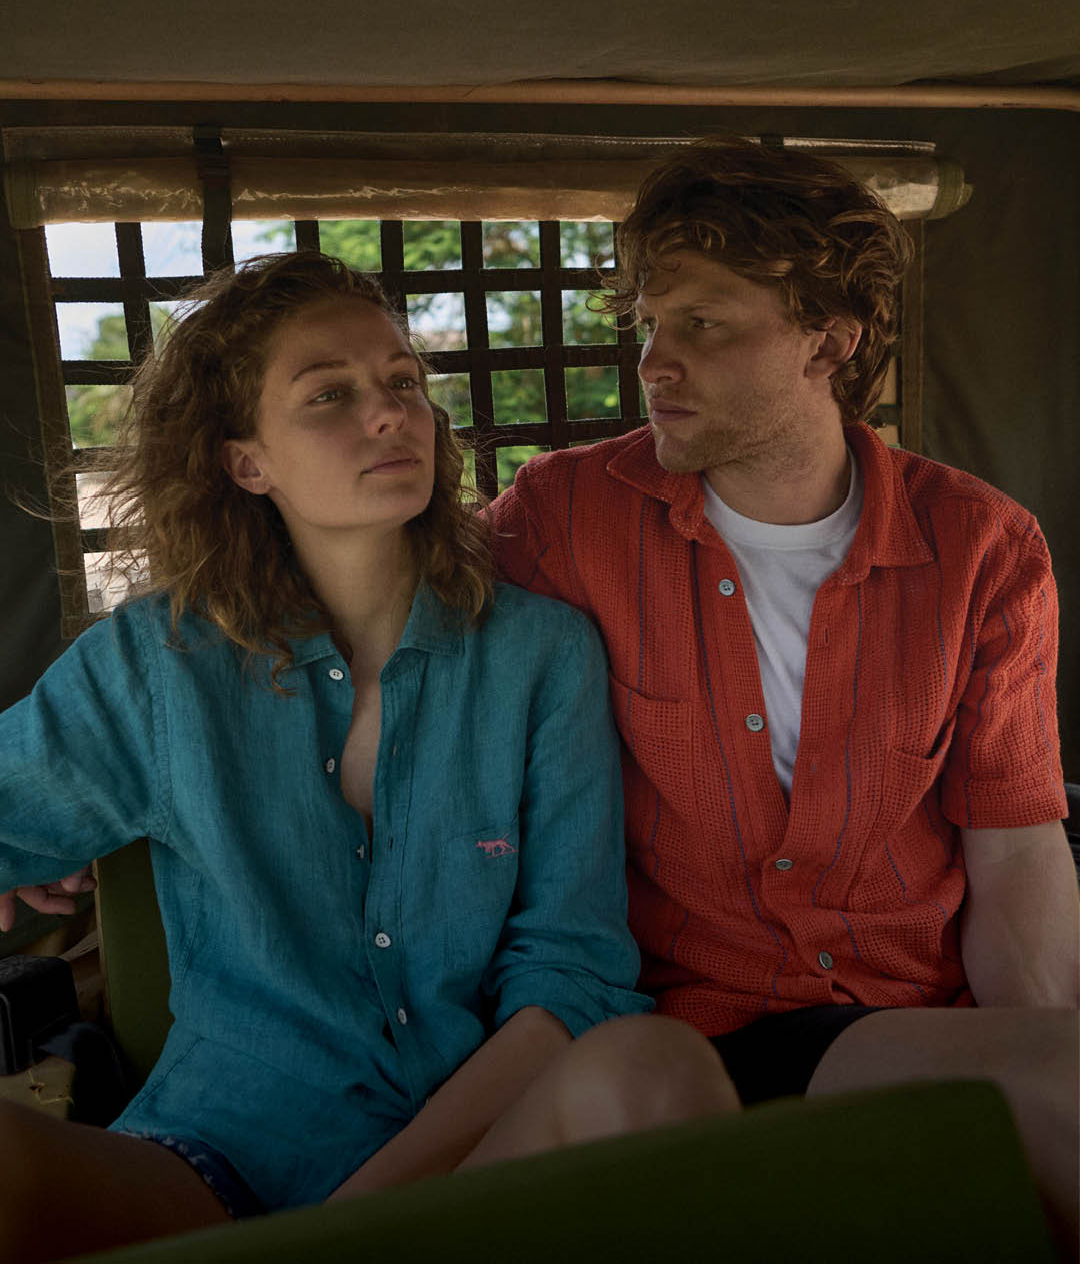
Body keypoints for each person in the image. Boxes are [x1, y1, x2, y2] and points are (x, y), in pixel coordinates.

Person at [0, 252, 736, 1263]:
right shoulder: (155, 665)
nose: (390, 414)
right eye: (329, 396)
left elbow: (572, 976)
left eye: (401, 384)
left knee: (655, 1064)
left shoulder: (541, 655)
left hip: (478, 1164)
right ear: (246, 461)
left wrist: (358, 1224)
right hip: (212, 1158)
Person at [487, 139, 1079, 1249]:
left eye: (705, 324)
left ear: (831, 339)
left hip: (909, 1021)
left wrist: (1026, 1050)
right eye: (650, 324)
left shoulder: (983, 548)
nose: (654, 362)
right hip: (681, 1034)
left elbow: (1019, 850)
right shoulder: (562, 517)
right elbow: (365, 628)